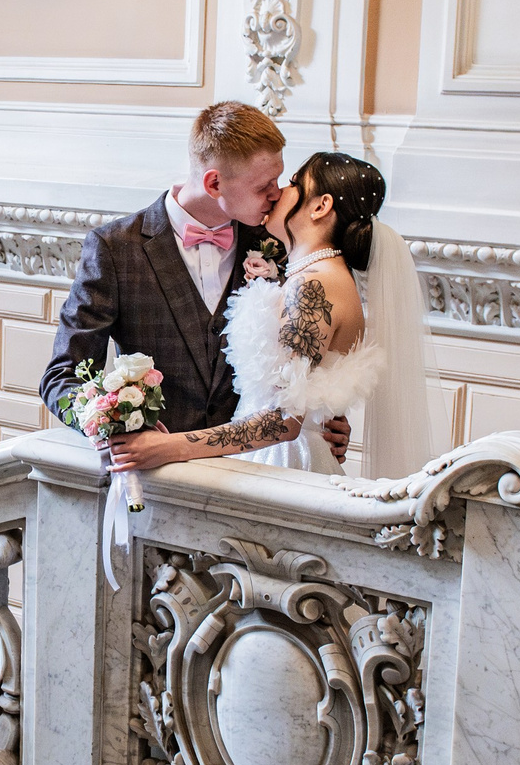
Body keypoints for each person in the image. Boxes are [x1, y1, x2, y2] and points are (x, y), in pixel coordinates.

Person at [104, 149, 446, 481]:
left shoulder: (315, 286)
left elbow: (284, 420)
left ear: (320, 206)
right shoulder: (315, 274)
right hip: (274, 453)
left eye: (294, 182)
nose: (279, 191)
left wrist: (168, 447)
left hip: (280, 462)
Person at [41, 102, 352, 465]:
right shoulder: (116, 248)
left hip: (258, 469)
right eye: (264, 185)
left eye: (278, 180)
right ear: (214, 182)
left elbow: (294, 364)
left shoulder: (276, 242)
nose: (277, 193)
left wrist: (319, 417)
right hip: (158, 477)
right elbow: (61, 376)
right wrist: (111, 423)